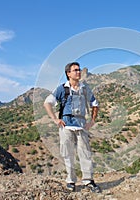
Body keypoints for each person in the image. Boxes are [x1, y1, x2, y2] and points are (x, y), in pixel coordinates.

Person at [43, 62, 101, 193]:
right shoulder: (62, 89)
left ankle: (88, 181)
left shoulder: (85, 88)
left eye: (79, 70)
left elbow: (95, 104)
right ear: (68, 73)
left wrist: (92, 121)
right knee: (68, 154)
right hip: (66, 126)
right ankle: (71, 181)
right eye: (75, 70)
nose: (78, 72)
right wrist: (55, 119)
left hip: (81, 127)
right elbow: (47, 103)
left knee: (85, 153)